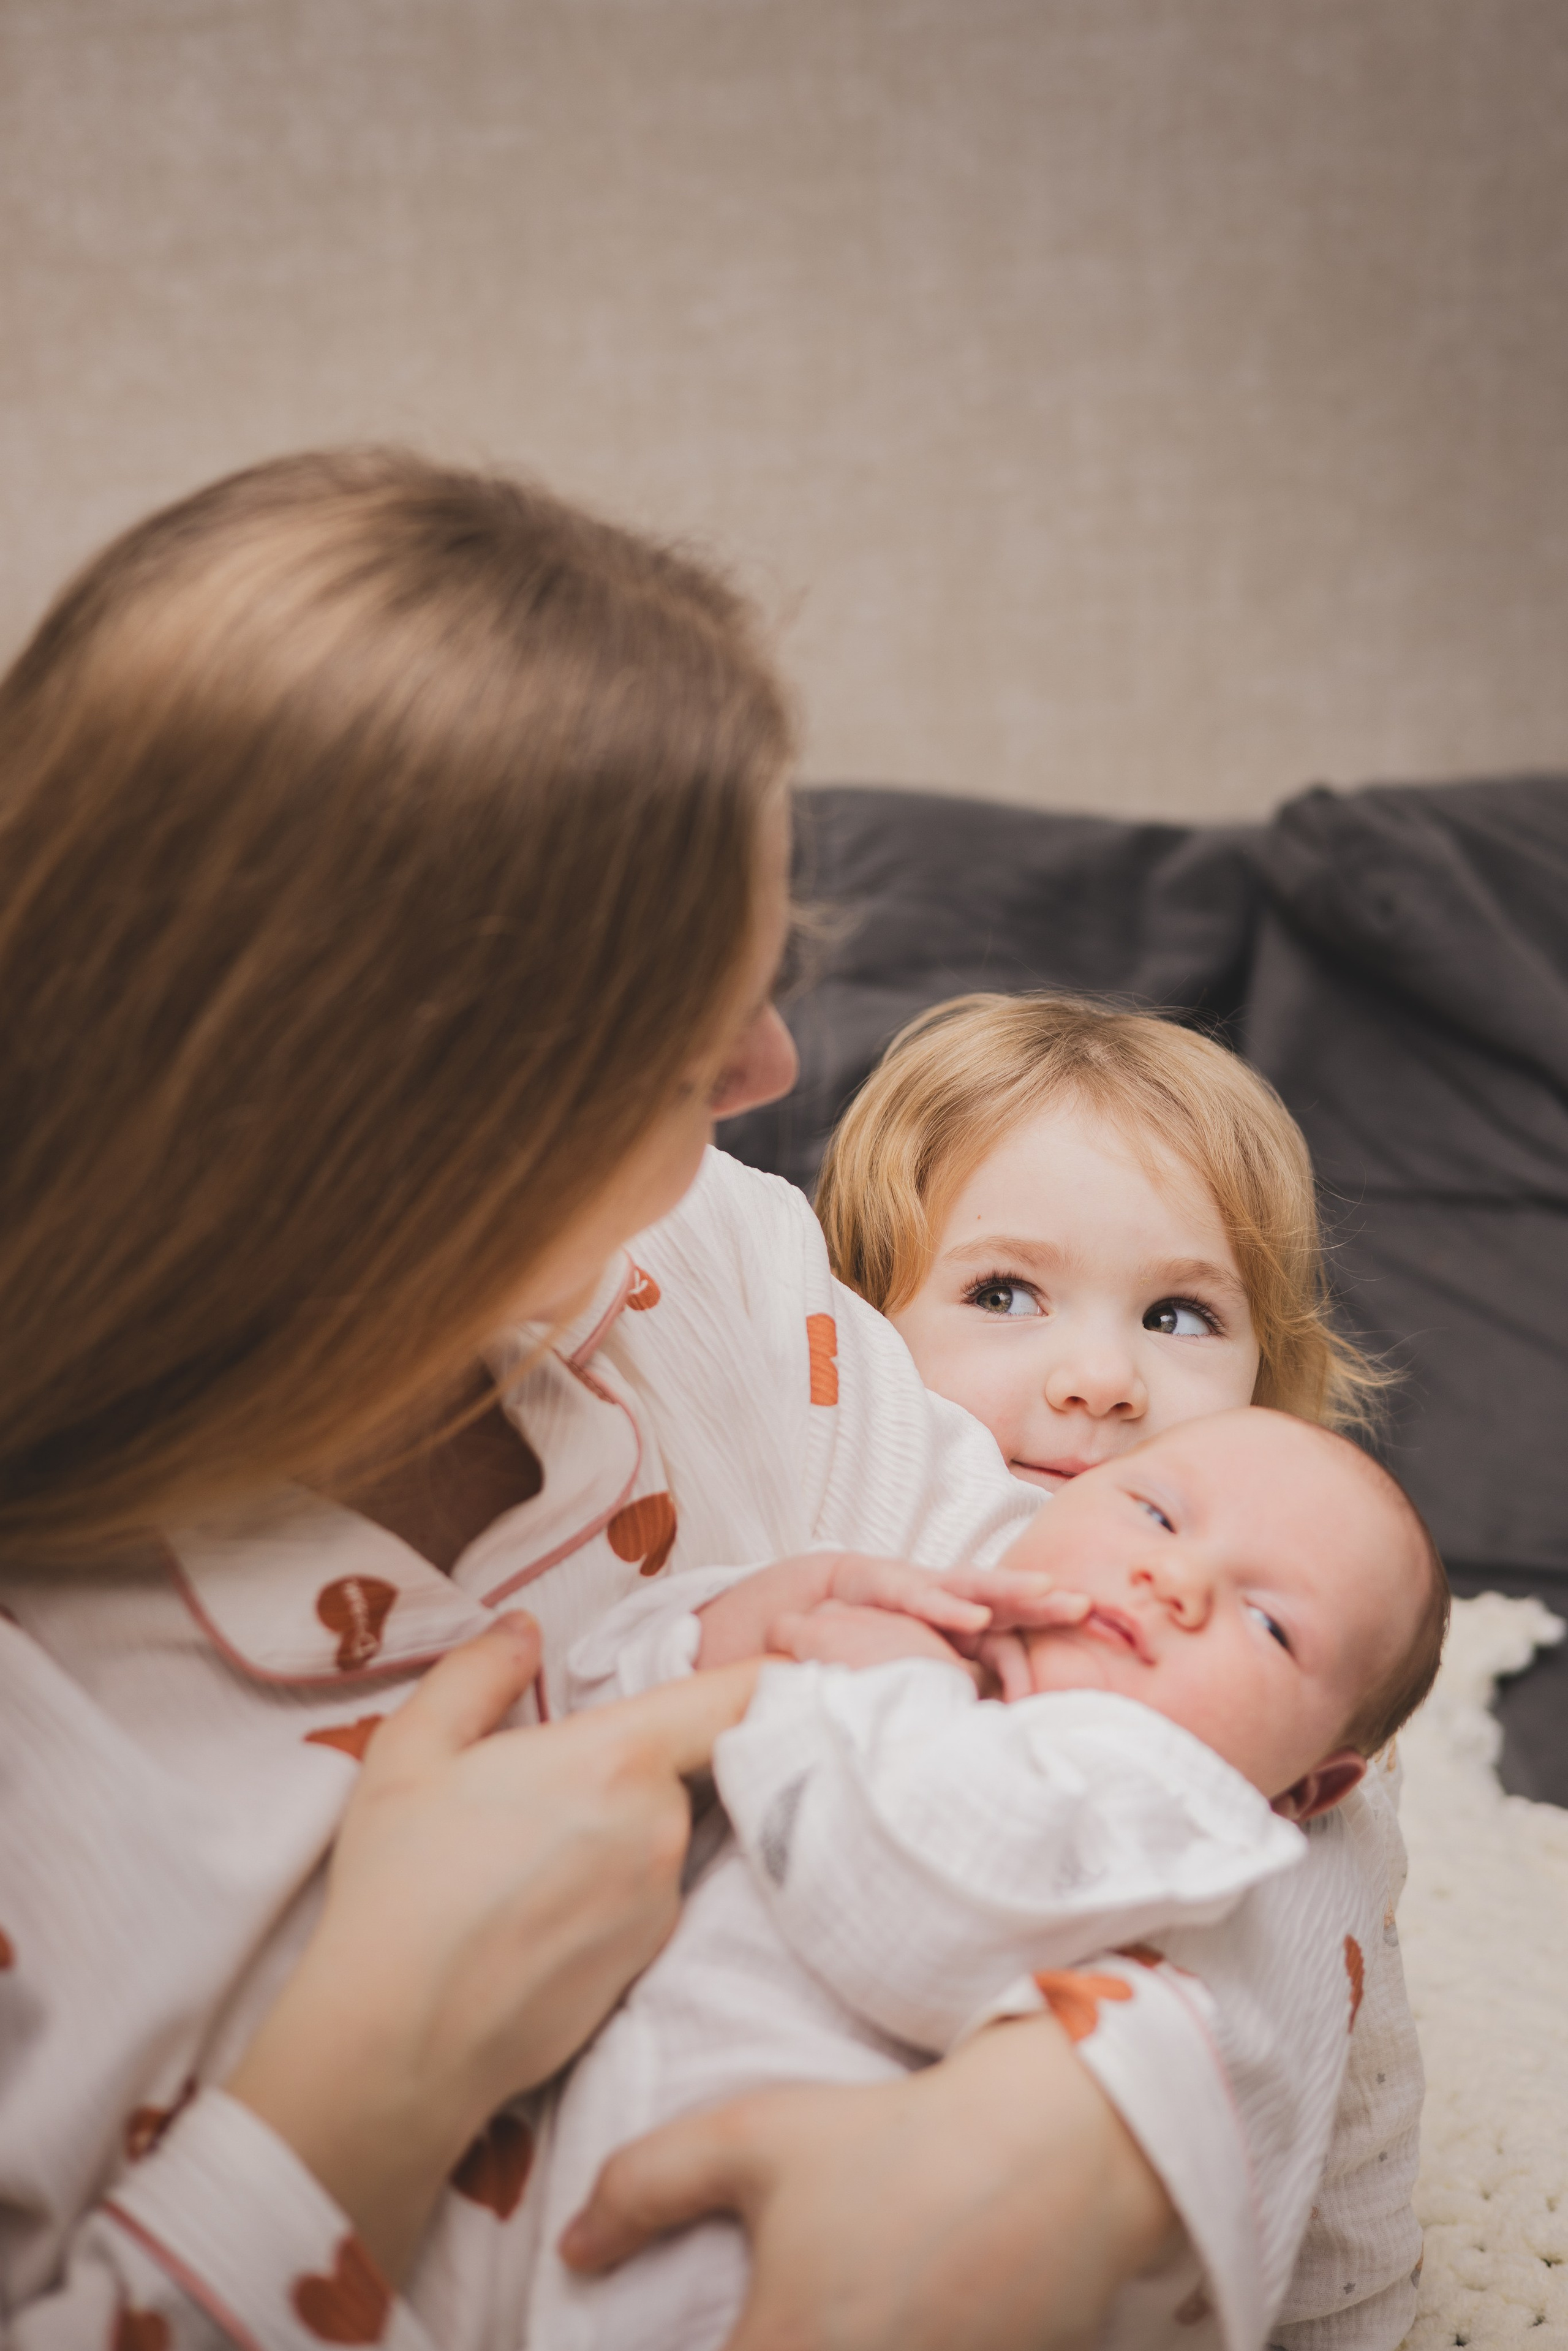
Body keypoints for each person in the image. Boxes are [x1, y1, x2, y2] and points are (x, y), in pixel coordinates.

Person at [0, 450, 1179, 2351]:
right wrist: (371, 2081)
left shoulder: (709, 1266)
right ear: (389, 1137)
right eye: (682, 1036)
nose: (778, 1064)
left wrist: (1075, 2137)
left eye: (765, 971)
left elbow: (1245, 1713)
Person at [528, 1407, 1448, 2351]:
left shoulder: (1180, 1811)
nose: (1176, 1580)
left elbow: (914, 1925)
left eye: (1269, 1623)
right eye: (1158, 1516)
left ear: (1307, 1789)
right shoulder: (938, 1644)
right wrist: (751, 1616)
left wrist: (885, 1682)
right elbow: (580, 1704)